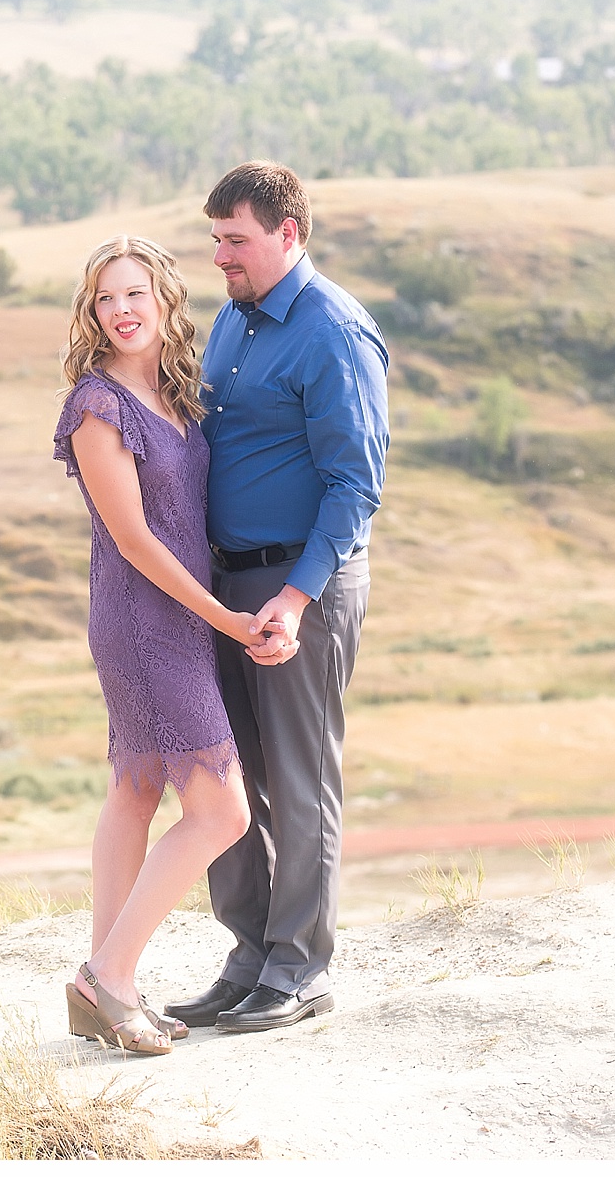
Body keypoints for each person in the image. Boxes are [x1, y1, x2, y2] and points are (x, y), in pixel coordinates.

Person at [163, 161, 389, 1033]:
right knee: (232, 776)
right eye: (215, 239)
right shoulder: (234, 319)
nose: (220, 256)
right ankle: (250, 955)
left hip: (300, 588)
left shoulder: (335, 331)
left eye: (236, 241)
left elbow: (354, 486)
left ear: (288, 235)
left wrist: (294, 599)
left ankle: (301, 968)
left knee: (299, 781)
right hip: (225, 585)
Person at [51, 235, 263, 1056]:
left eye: (135, 293)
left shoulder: (178, 394)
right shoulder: (97, 405)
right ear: (92, 313)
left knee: (136, 789)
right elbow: (134, 539)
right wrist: (225, 618)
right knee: (223, 811)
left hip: (173, 617)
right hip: (144, 624)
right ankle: (106, 975)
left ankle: (112, 988)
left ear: (166, 299)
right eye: (106, 299)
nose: (122, 310)